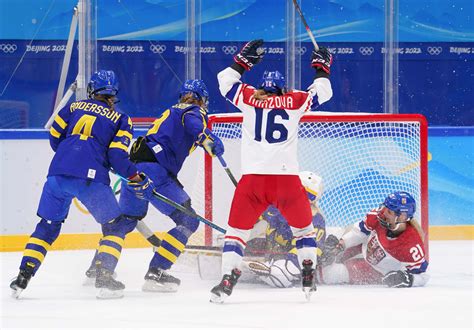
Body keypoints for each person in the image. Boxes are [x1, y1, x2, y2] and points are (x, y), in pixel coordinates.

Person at [9, 70, 153, 299]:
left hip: (57, 174)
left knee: (47, 225)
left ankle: (23, 276)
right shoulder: (121, 119)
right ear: (114, 93)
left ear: (91, 90)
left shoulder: (73, 107)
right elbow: (117, 155)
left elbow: (55, 136)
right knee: (114, 227)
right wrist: (136, 177)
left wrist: (71, 157)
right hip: (90, 179)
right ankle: (104, 276)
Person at [210, 39, 333, 303]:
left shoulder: (249, 98)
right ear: (282, 87)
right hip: (286, 181)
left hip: (253, 181)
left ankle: (228, 278)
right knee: (303, 231)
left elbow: (224, 81)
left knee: (237, 233)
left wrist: (242, 62)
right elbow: (323, 92)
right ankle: (308, 271)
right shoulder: (296, 100)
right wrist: (321, 67)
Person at [85, 79, 225, 292]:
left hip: (135, 170)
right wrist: (207, 138)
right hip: (155, 172)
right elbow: (194, 124)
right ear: (201, 99)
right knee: (188, 220)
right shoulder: (193, 110)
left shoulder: (171, 111)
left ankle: (99, 268)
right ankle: (157, 273)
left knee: (124, 222)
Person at [318, 191, 429, 288]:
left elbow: (423, 276)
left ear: (402, 217)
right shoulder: (379, 215)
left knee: (332, 274)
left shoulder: (411, 245)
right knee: (332, 244)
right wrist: (340, 245)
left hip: (376, 270)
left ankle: (311, 276)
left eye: (389, 212)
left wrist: (407, 279)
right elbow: (360, 232)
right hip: (363, 247)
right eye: (385, 207)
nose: (384, 212)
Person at [243, 171, 326, 288]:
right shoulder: (274, 209)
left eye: (309, 196)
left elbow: (309, 252)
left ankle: (280, 271)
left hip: (294, 266)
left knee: (283, 275)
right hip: (271, 258)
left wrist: (286, 266)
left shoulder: (316, 220)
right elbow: (253, 219)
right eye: (299, 192)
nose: (302, 199)